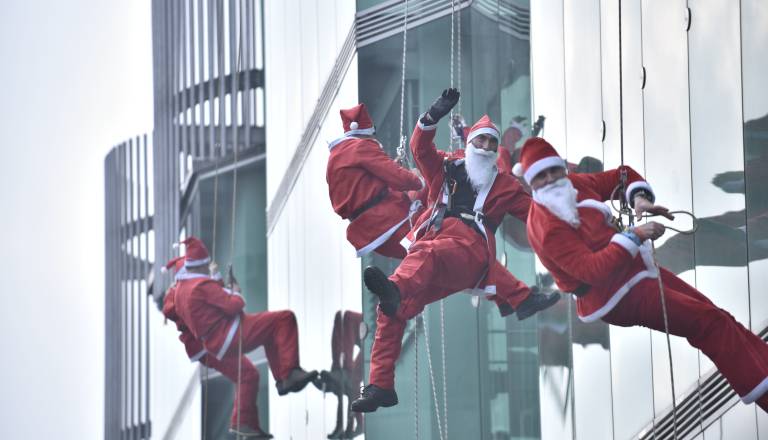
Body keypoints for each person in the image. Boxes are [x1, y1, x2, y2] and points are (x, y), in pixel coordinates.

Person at [517, 137, 768, 413]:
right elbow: (593, 271)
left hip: (636, 270)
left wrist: (639, 199)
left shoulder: (574, 184)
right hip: (615, 297)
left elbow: (621, 175)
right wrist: (634, 235)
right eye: (541, 176)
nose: (551, 179)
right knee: (708, 323)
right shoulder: (545, 228)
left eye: (554, 170)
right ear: (531, 182)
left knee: (716, 315)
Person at [351, 89, 561, 413]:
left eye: (492, 144)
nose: (487, 148)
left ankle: (396, 288)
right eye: (481, 142)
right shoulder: (448, 166)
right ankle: (380, 385)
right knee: (392, 309)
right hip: (433, 248)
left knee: (424, 260)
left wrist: (575, 218)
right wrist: (433, 115)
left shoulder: (504, 184)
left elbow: (536, 214)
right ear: (470, 142)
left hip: (469, 249)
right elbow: (419, 149)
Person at [173, 236, 318, 437]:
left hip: (216, 343)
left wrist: (217, 283)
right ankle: (289, 373)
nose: (207, 269)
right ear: (198, 266)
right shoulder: (200, 286)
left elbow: (208, 304)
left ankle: (244, 420)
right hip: (230, 334)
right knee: (284, 319)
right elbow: (234, 304)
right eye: (206, 266)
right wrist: (235, 291)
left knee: (254, 364)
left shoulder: (181, 290)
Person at [327, 103, 425, 259]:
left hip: (367, 232)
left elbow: (361, 187)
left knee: (420, 257)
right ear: (368, 131)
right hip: (387, 220)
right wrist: (420, 180)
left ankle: (399, 283)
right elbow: (398, 178)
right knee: (434, 211)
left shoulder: (336, 156)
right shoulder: (361, 146)